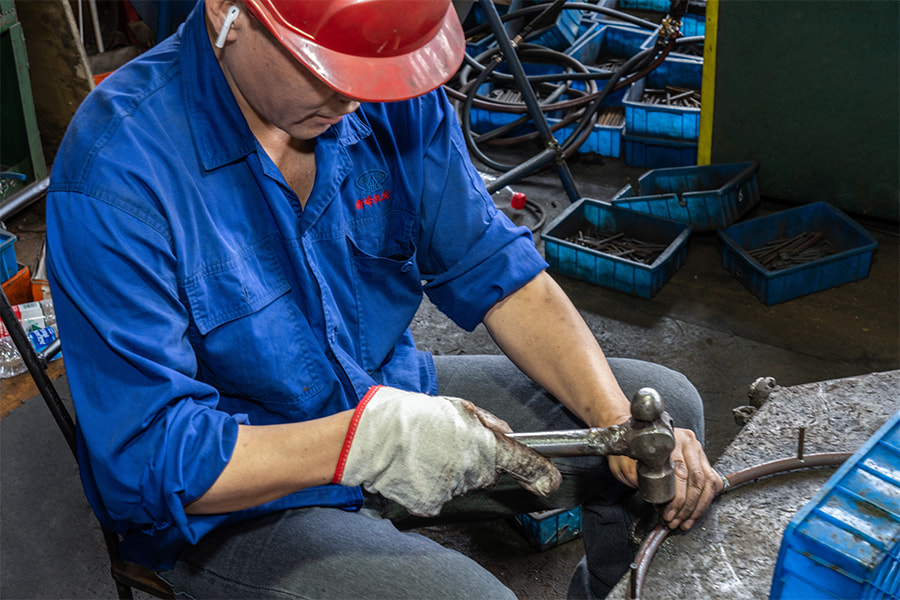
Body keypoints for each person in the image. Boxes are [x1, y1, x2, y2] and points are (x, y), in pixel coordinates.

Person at [45, 0, 723, 598]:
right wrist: (364, 442)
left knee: (661, 424)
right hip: (239, 502)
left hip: (386, 403)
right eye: (328, 68)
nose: (354, 99)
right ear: (230, 10)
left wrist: (615, 422)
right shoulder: (118, 169)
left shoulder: (380, 89)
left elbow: (495, 267)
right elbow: (147, 460)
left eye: (373, 70)